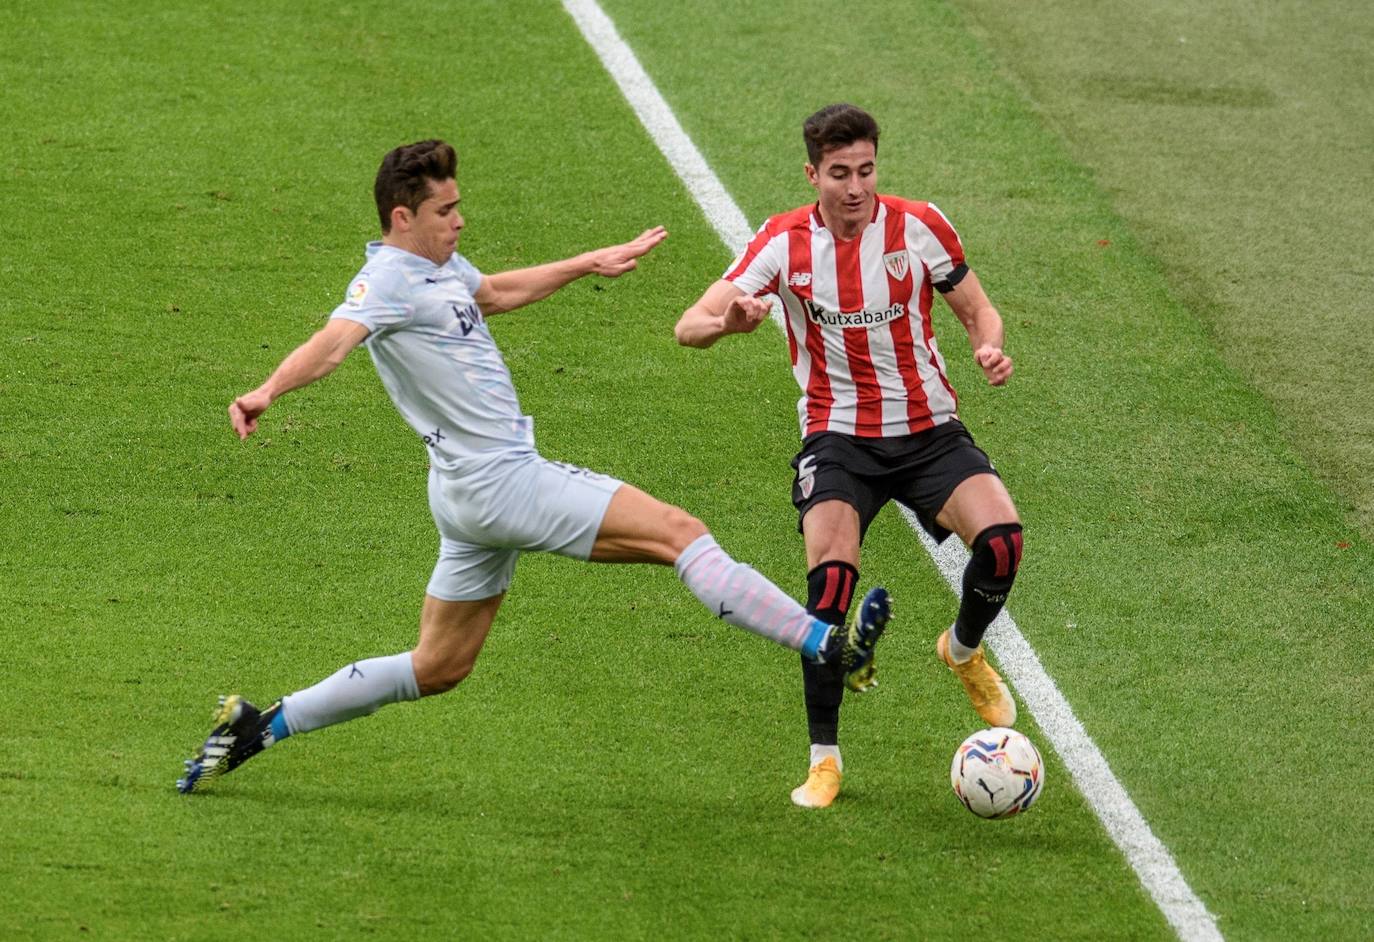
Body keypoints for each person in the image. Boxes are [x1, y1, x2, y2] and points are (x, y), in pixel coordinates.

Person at [176, 139, 892, 795]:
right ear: (403, 216)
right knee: (680, 533)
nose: (459, 221)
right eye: (445, 210)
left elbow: (494, 293)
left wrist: (588, 263)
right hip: (501, 481)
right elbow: (332, 344)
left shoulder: (437, 266)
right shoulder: (386, 279)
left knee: (438, 667)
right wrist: (267, 389)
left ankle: (258, 727)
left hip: (463, 495)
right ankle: (828, 644)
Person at [675, 104, 1023, 810]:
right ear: (813, 175)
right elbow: (690, 327)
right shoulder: (781, 243)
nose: (856, 187)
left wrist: (988, 343)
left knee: (1004, 542)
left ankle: (961, 648)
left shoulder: (919, 226)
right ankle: (824, 759)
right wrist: (731, 325)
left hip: (929, 431)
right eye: (840, 174)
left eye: (866, 170)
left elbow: (979, 309)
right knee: (830, 589)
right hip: (839, 439)